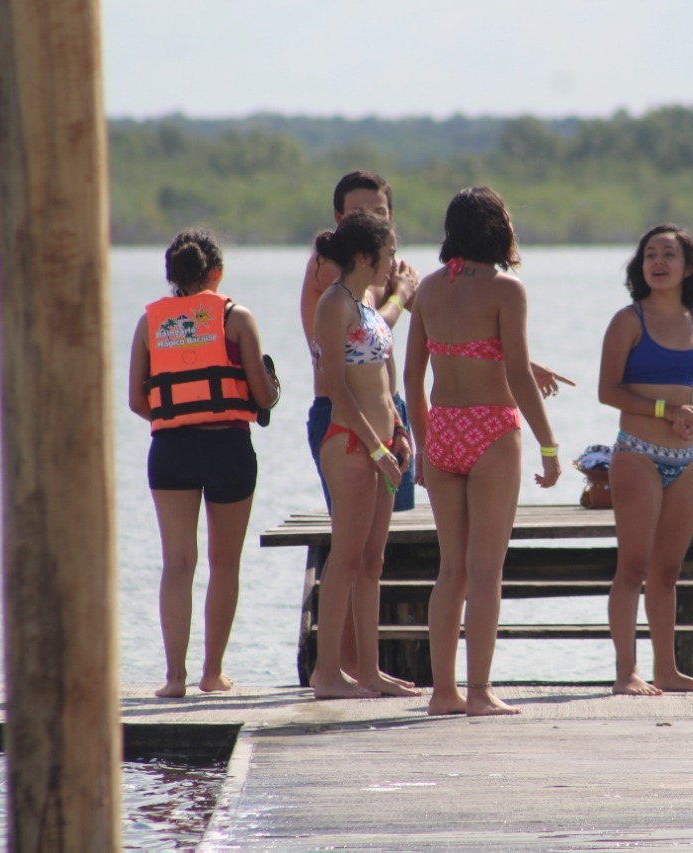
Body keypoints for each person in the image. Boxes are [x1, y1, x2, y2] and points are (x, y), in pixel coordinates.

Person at [404, 187, 561, 716]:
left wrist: (425, 449)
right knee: (487, 569)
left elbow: (411, 377)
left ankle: (441, 693)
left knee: (452, 569)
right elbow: (515, 373)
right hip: (492, 430)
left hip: (443, 428)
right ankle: (478, 694)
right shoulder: (506, 289)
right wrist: (549, 445)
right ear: (498, 228)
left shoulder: (426, 289)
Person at [128, 228, 281, 698]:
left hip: (170, 451)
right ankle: (211, 674)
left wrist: (177, 418)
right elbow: (261, 394)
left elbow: (136, 400)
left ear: (173, 277)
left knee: (177, 563)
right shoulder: (236, 318)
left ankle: (174, 679)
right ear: (216, 272)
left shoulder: (149, 322)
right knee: (224, 563)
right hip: (227, 449)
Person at [597, 224, 693, 695]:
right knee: (633, 566)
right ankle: (626, 672)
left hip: (686, 458)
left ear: (689, 267)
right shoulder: (628, 321)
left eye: (669, 254)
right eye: (650, 254)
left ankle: (667, 670)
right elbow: (608, 391)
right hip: (637, 455)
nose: (658, 262)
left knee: (669, 571)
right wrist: (666, 411)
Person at [309, 210, 423, 699]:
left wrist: (398, 429)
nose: (393, 261)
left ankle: (370, 671)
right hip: (350, 441)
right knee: (346, 559)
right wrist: (375, 446)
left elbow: (380, 376)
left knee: (373, 561)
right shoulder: (334, 303)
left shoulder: (365, 303)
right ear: (364, 256)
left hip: (382, 442)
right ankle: (327, 674)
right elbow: (335, 382)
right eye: (389, 252)